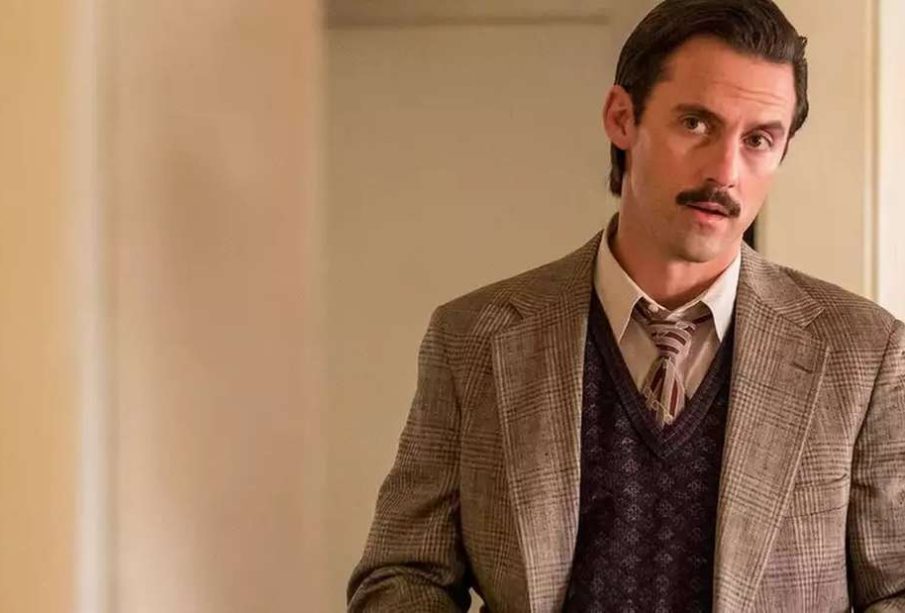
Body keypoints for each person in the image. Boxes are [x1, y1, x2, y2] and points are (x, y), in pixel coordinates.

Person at [347, 0, 905, 610]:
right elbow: (404, 575)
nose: (725, 171)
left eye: (758, 140)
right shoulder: (473, 338)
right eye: (696, 123)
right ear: (621, 118)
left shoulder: (863, 354)